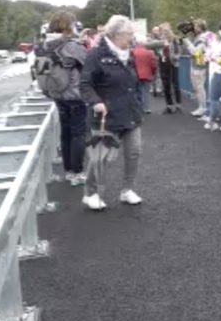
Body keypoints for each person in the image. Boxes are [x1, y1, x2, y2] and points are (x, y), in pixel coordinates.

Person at [79, 15, 144, 211]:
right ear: (116, 35)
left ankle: (127, 189)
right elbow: (85, 84)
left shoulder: (128, 54)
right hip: (107, 115)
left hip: (130, 113)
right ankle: (91, 193)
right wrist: (96, 101)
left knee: (134, 152)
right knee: (102, 157)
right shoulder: (96, 55)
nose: (132, 37)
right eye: (129, 33)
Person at [37, 11, 88, 187]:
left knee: (66, 133)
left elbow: (41, 70)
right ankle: (78, 172)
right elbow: (89, 66)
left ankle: (68, 171)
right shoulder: (73, 46)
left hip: (57, 94)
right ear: (68, 26)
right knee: (78, 134)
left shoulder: (44, 45)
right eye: (73, 24)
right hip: (75, 95)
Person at [158, 23, 182, 114]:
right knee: (166, 85)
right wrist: (159, 54)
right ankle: (169, 105)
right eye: (161, 31)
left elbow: (179, 51)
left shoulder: (174, 39)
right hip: (163, 63)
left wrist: (174, 57)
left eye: (163, 31)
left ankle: (178, 104)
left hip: (173, 64)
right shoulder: (160, 40)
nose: (162, 33)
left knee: (175, 84)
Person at [132, 34, 158, 114]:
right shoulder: (150, 52)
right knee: (145, 91)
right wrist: (153, 73)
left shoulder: (132, 52)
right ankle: (146, 108)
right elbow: (154, 65)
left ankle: (138, 107)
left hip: (135, 74)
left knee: (136, 91)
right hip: (146, 74)